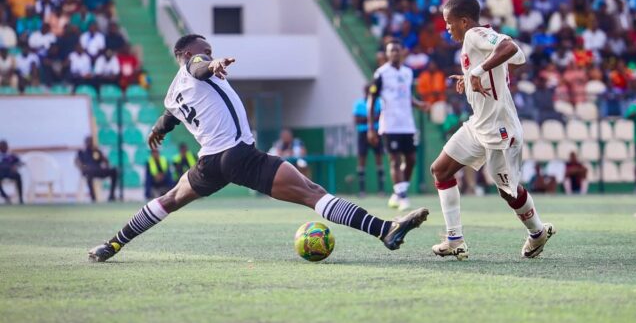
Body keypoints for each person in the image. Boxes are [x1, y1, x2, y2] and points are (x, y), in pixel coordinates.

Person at [88, 35, 428, 262]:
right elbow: (199, 67)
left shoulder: (172, 93)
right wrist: (213, 63)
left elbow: (168, 118)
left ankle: (113, 243)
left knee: (170, 200)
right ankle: (384, 229)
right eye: (204, 49)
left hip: (209, 163)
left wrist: (157, 130)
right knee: (312, 192)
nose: (208, 52)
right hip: (238, 155)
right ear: (190, 54)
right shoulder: (196, 68)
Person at [429, 0, 556, 261]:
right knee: (440, 170)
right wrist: (468, 76)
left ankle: (537, 232)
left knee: (508, 192)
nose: (447, 28)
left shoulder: (474, 34)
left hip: (501, 130)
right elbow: (514, 57)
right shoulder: (474, 40)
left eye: (449, 23)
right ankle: (455, 239)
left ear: (463, 21)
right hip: (479, 125)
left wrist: (475, 73)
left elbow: (511, 48)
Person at [367, 40, 428, 211]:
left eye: (396, 50)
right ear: (387, 54)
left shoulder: (408, 72)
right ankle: (402, 196)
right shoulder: (381, 73)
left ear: (402, 52)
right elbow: (372, 99)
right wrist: (371, 127)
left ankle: (398, 192)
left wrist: (419, 104)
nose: (394, 53)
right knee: (394, 160)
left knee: (411, 160)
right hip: (390, 125)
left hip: (407, 124)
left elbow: (407, 96)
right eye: (391, 50)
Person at [353, 86, 384, 196]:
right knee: (362, 160)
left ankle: (381, 190)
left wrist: (365, 118)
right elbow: (356, 120)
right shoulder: (358, 103)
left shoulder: (379, 102)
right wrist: (372, 117)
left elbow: (381, 116)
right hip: (362, 133)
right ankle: (362, 190)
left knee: (379, 159)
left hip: (377, 132)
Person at [75, 137, 117, 202]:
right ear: (85, 143)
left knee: (114, 171)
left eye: (91, 141)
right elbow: (79, 163)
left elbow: (106, 162)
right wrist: (85, 167)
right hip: (88, 171)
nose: (89, 143)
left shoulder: (96, 151)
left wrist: (100, 153)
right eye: (88, 141)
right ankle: (93, 198)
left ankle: (111, 195)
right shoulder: (82, 152)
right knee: (89, 174)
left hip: (98, 170)